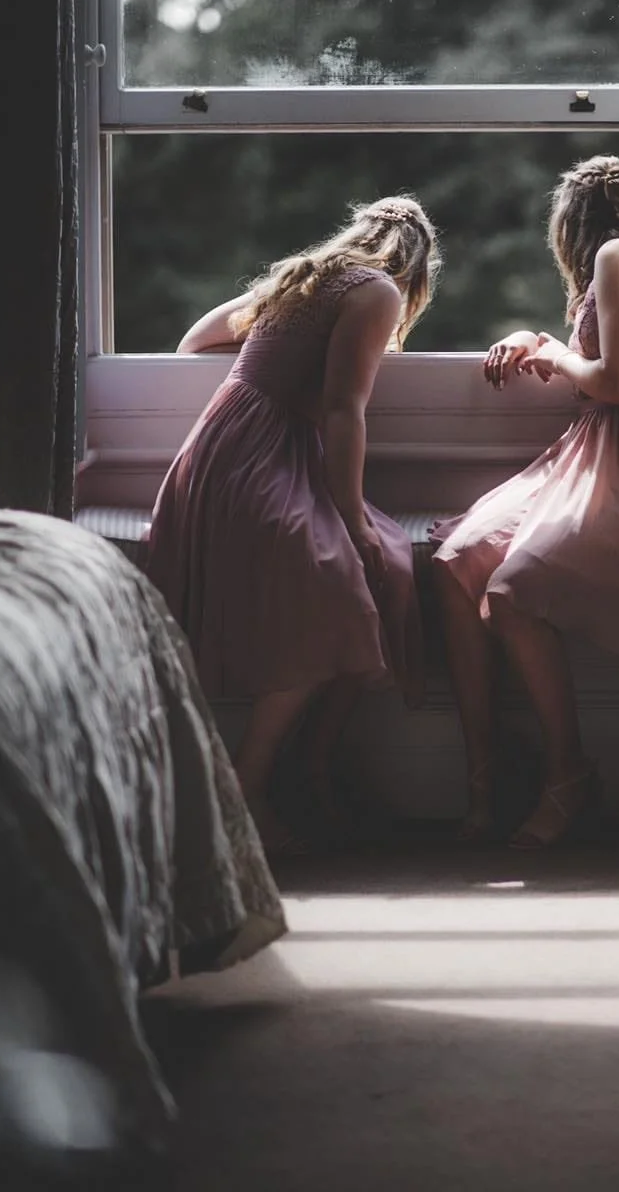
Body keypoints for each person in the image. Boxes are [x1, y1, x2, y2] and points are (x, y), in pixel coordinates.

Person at [147, 196, 440, 856]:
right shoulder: (378, 291)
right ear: (418, 266)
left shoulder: (305, 275)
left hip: (230, 444)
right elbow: (343, 410)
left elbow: (195, 340)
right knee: (337, 580)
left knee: (389, 561)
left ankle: (312, 763)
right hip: (259, 458)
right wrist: (351, 518)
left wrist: (277, 359)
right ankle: (246, 787)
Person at [432, 155, 619, 849]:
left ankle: (567, 772)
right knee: (455, 562)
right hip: (593, 449)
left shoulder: (617, 256)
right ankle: (484, 774)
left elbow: (617, 383)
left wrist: (553, 359)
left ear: (571, 227)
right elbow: (604, 357)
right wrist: (534, 340)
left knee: (514, 594)